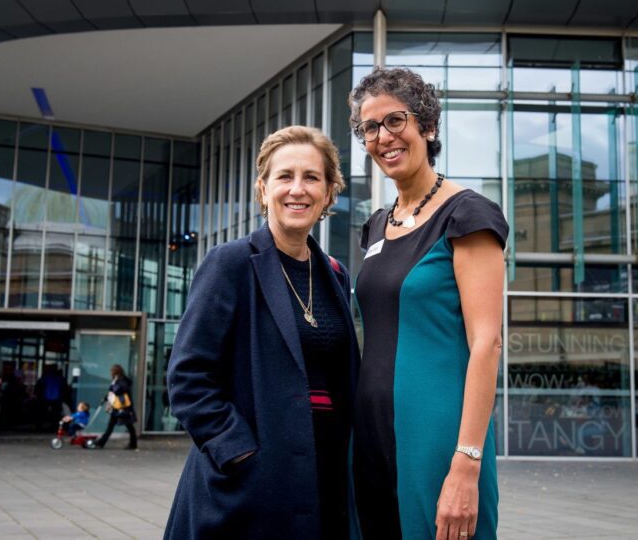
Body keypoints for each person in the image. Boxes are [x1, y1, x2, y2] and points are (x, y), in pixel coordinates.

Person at [164, 126, 359, 539]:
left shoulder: (335, 276)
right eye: (284, 176)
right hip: (250, 481)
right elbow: (188, 376)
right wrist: (238, 452)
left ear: (328, 192)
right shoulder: (229, 264)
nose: (297, 189)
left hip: (323, 476)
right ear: (263, 188)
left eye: (312, 177)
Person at [349, 67, 509, 540]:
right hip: (370, 435)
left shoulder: (468, 214)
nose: (383, 137)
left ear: (428, 126)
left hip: (435, 438)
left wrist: (467, 463)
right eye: (370, 128)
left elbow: (487, 343)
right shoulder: (375, 226)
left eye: (395, 121)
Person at [94, 364, 137, 450]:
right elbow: (112, 392)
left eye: (112, 371)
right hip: (117, 406)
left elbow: (118, 390)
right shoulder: (116, 380)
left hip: (123, 406)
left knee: (128, 425)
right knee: (113, 425)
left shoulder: (122, 380)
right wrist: (106, 398)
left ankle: (133, 444)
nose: (111, 373)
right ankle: (102, 442)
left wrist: (113, 389)